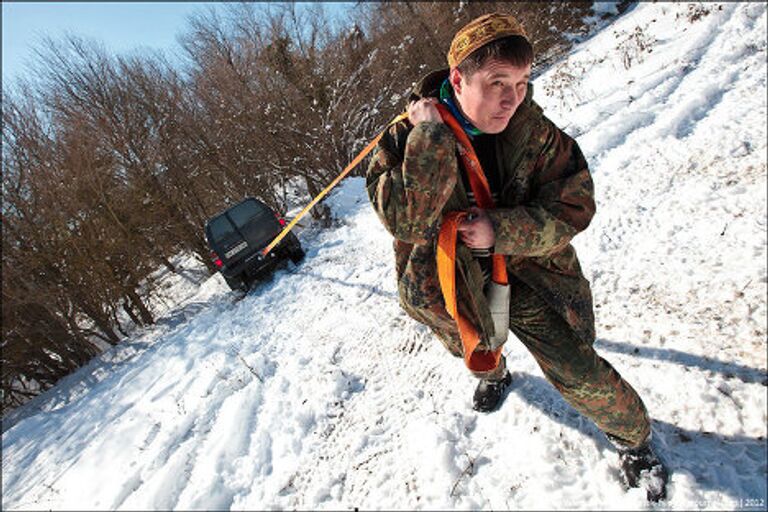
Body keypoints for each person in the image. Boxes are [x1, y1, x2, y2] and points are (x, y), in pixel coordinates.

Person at [365, 12, 669, 501]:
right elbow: (409, 221)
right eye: (497, 82)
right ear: (458, 79)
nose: (512, 98)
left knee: (577, 368)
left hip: (531, 274)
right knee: (472, 347)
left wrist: (500, 230)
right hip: (449, 286)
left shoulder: (534, 132)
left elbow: (574, 205)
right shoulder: (402, 139)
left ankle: (634, 442)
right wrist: (430, 140)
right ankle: (496, 372)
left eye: (523, 82)